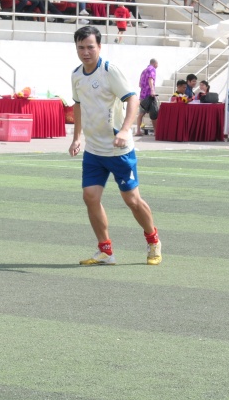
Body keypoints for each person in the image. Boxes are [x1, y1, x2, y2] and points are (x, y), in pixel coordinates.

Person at [69, 26, 161, 266]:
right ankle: (105, 251)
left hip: (118, 150)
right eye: (81, 47)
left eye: (90, 47)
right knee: (90, 197)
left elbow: (132, 98)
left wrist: (125, 130)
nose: (85, 52)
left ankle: (153, 240)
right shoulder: (77, 74)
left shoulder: (110, 71)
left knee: (132, 200)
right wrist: (76, 137)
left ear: (99, 47)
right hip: (93, 150)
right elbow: (78, 105)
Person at [135, 58, 158, 136]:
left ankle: (138, 131)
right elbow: (150, 79)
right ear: (155, 64)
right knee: (154, 113)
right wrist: (152, 90)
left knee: (141, 113)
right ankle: (156, 131)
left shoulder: (144, 71)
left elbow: (140, 84)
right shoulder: (152, 69)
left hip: (142, 95)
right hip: (149, 95)